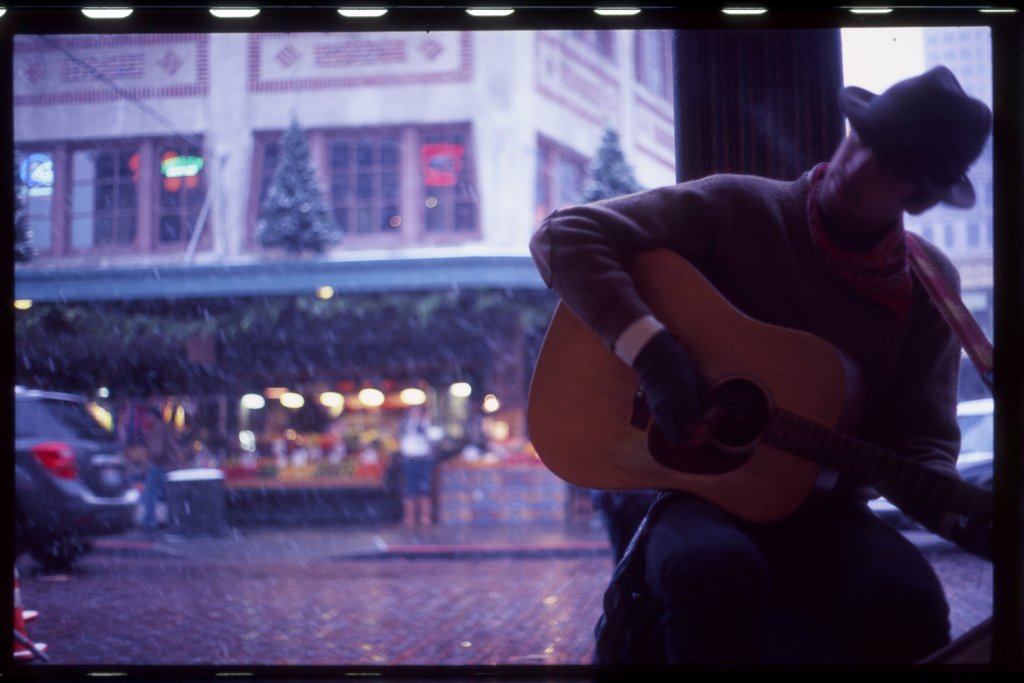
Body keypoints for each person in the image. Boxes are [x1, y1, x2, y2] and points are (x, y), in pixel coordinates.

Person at [529, 66, 992, 665]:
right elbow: (565, 235)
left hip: (829, 516)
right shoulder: (739, 207)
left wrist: (966, 515)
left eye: (889, 167)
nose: (855, 167)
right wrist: (655, 355)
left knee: (908, 598)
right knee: (712, 567)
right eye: (860, 140)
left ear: (920, 196)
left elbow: (918, 445)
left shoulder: (929, 288)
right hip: (696, 497)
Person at [140, 404, 186, 531]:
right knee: (167, 495)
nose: (147, 418)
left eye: (149, 416)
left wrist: (148, 457)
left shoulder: (158, 427)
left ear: (153, 416)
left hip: (158, 466)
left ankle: (149, 522)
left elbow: (158, 449)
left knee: (151, 495)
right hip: (165, 465)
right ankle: (175, 520)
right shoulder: (164, 426)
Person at [399, 405, 439, 527]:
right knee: (410, 487)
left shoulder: (427, 424)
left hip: (425, 457)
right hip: (410, 458)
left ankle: (425, 517)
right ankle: (410, 517)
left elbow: (435, 437)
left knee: (424, 487)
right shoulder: (406, 424)